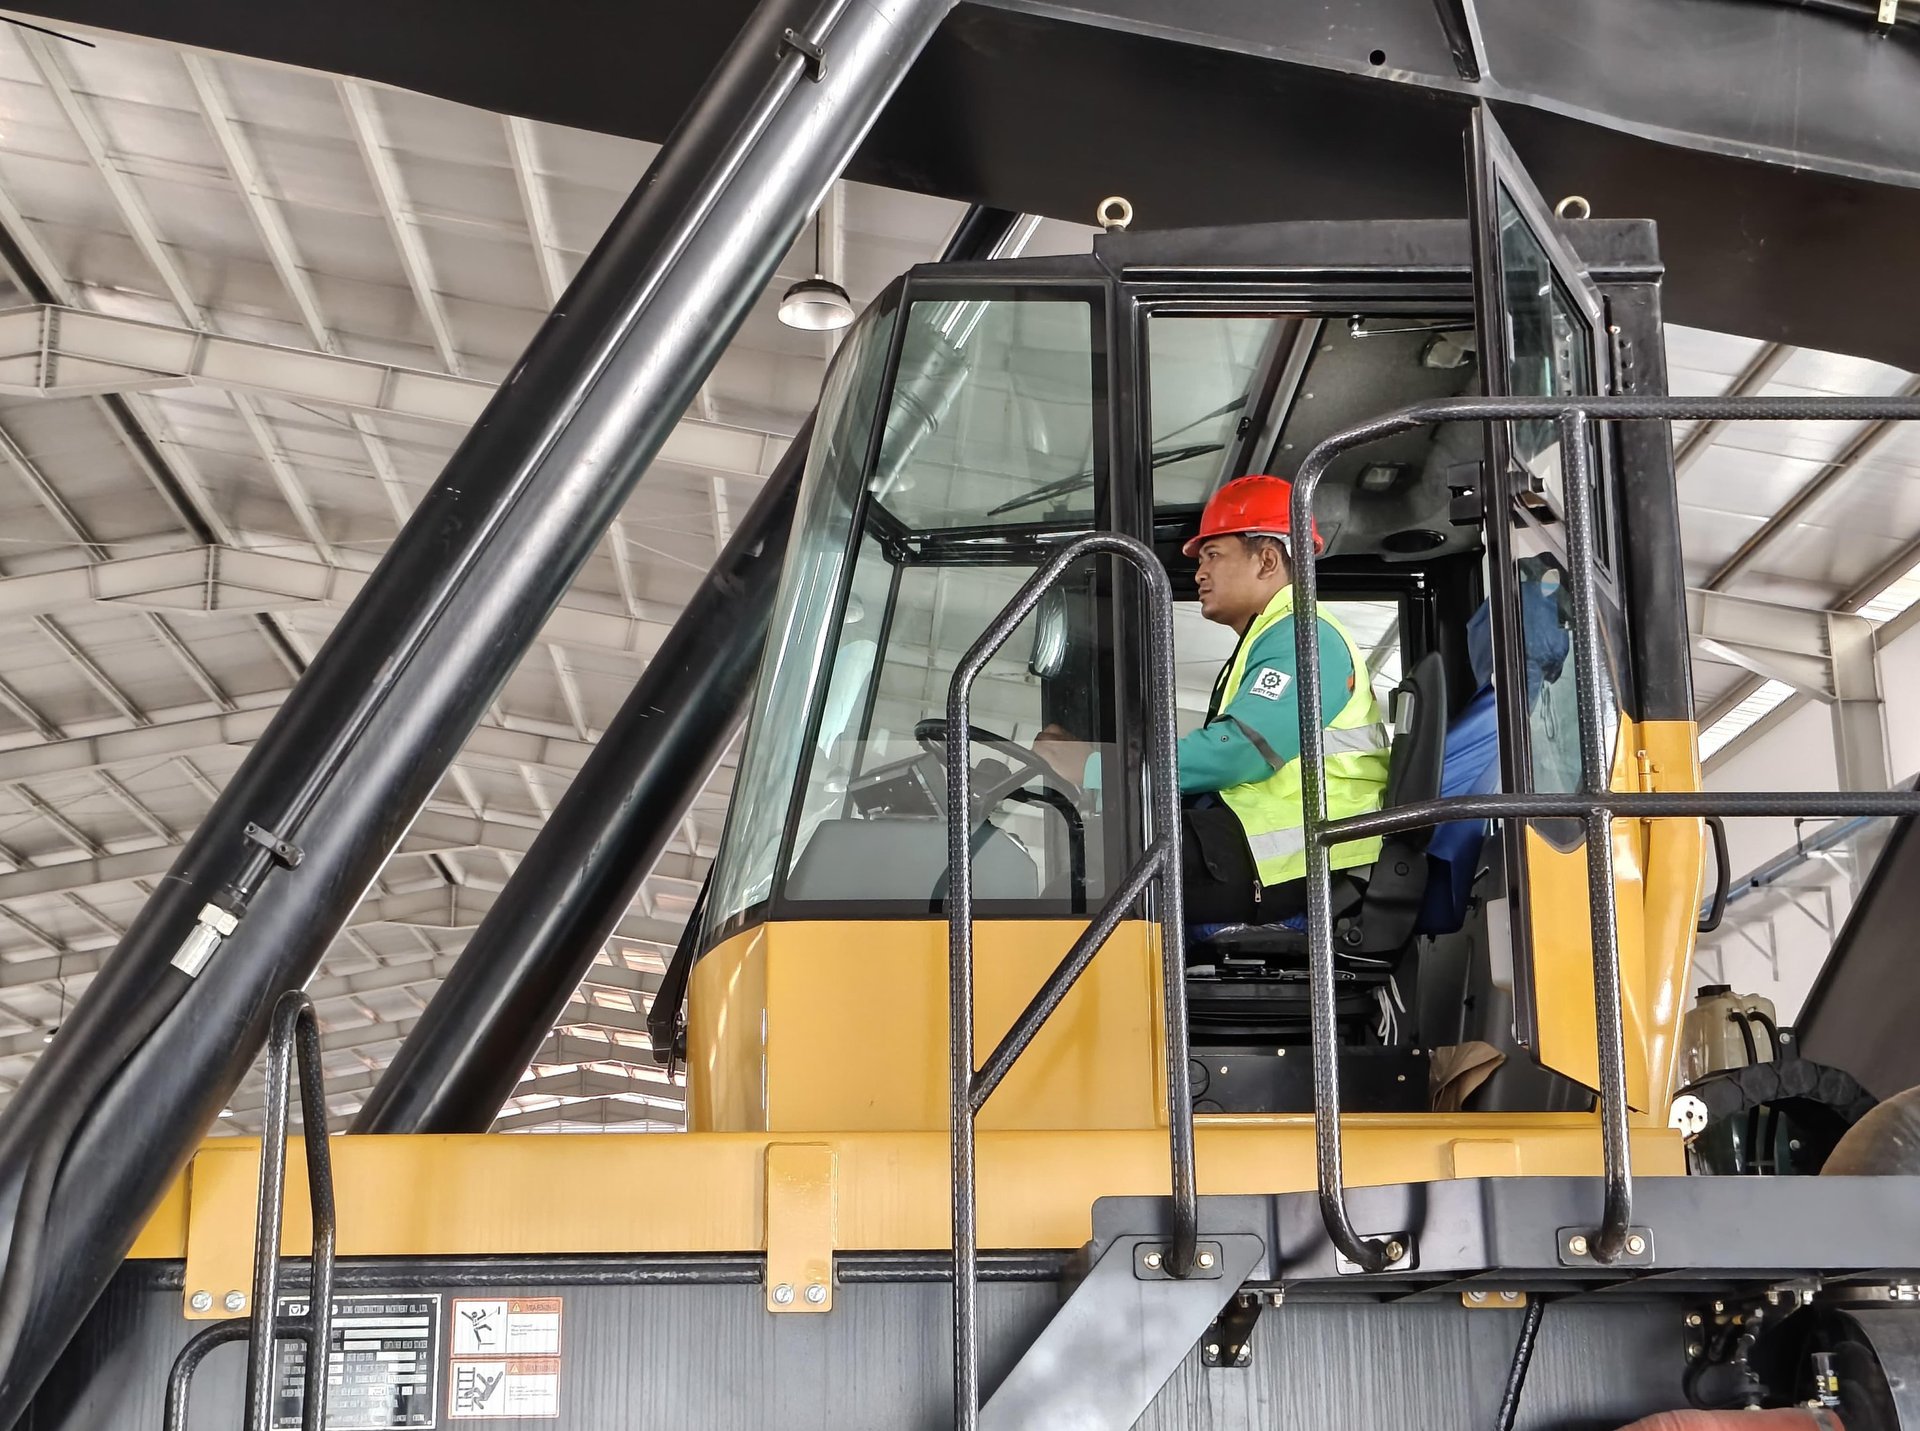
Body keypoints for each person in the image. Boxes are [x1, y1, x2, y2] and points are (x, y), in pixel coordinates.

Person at [1040, 474, 1391, 925]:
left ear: (1266, 560)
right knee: (1101, 858)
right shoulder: (1271, 637)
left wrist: (1097, 767)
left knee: (1092, 878)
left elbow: (1242, 750)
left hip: (1304, 854)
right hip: (1275, 844)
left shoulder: (1305, 635)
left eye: (1213, 554)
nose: (1199, 573)